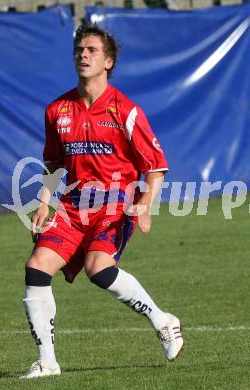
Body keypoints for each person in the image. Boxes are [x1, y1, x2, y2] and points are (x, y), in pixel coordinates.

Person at [20, 23, 183, 379]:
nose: (83, 54)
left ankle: (164, 321)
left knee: (99, 269)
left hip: (115, 205)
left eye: (92, 50)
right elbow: (54, 163)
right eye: (79, 49)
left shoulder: (125, 110)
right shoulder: (58, 110)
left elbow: (156, 166)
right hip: (73, 205)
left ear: (108, 62)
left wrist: (146, 204)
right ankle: (47, 361)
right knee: (36, 268)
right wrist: (45, 201)